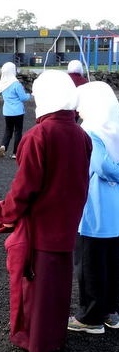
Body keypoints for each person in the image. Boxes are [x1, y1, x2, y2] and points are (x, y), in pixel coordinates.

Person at [0, 70, 91, 352]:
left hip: (40, 226)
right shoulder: (81, 134)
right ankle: (54, 336)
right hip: (68, 221)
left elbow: (25, 188)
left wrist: (4, 213)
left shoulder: (39, 135)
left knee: (35, 287)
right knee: (57, 285)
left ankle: (35, 339)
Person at [68, 81, 119, 334]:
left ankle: (90, 318)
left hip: (95, 208)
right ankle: (111, 313)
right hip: (115, 208)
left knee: (90, 263)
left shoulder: (89, 130)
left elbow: (102, 166)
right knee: (112, 262)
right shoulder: (115, 127)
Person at [0, 61, 31, 160]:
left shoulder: (2, 84)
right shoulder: (16, 84)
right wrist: (29, 95)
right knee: (18, 132)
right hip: (18, 112)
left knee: (8, 130)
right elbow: (23, 98)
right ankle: (15, 152)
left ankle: (4, 146)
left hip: (7, 111)